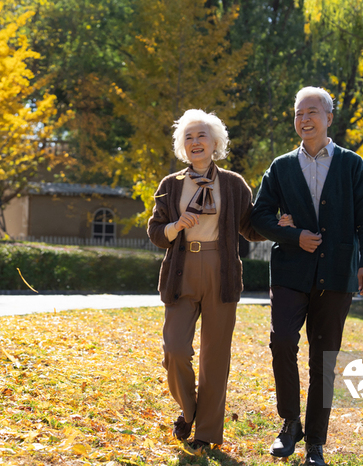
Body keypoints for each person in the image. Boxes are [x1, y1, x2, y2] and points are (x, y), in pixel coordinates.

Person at [250, 87, 363, 465]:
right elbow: (259, 216)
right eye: (297, 113)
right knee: (283, 342)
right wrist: (293, 236)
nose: (303, 119)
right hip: (290, 272)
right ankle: (290, 424)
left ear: (328, 118)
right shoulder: (281, 166)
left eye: (311, 112)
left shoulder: (352, 165)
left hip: (337, 277)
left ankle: (315, 444)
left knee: (323, 359)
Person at [147, 109, 265, 451]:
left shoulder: (233, 183)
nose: (195, 142)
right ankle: (189, 410)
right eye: (189, 137)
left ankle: (206, 434)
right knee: (175, 349)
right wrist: (176, 225)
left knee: (216, 357)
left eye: (201, 136)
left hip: (222, 271)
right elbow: (155, 232)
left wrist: (279, 225)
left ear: (215, 143)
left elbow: (250, 226)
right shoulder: (171, 185)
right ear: (182, 147)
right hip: (182, 270)